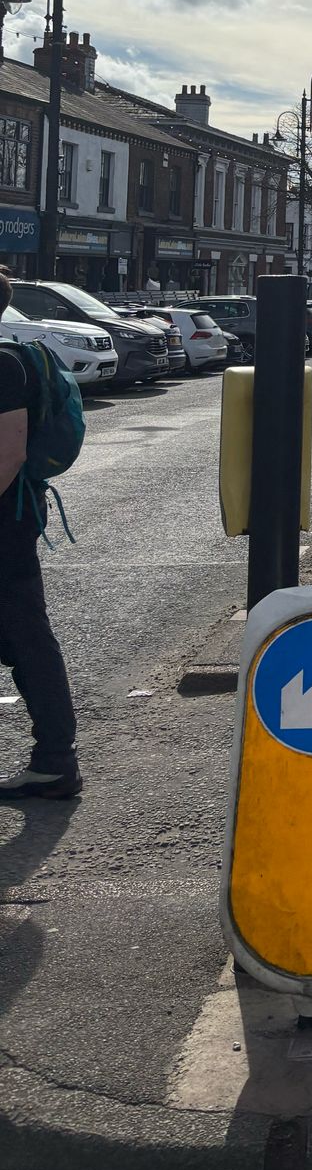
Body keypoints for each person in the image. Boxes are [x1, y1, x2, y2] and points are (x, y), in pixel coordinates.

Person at [0, 266, 82, 800]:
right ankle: (54, 759)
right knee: (21, 640)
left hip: (5, 525)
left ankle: (55, 760)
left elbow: (8, 453)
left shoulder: (4, 366)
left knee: (27, 640)